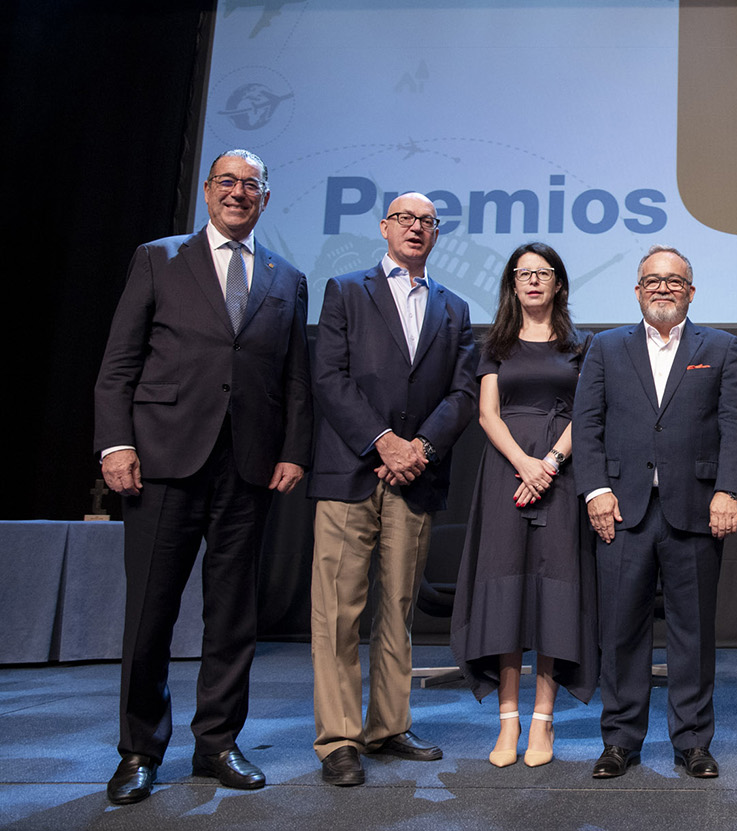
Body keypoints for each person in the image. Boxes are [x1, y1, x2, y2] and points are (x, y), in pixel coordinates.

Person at [94, 149, 312, 804]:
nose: (239, 193)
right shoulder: (158, 257)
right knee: (150, 611)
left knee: (233, 614)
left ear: (266, 199)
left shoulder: (289, 277)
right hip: (161, 460)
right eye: (228, 182)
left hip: (246, 467)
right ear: (208, 191)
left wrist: (294, 449)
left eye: (252, 185)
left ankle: (217, 740)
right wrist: (115, 444)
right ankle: (139, 748)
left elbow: (296, 382)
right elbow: (118, 364)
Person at [305, 193, 478, 786]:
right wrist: (383, 443)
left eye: (426, 221)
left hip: (417, 477)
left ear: (437, 234)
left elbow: (462, 394)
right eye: (405, 218)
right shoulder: (345, 290)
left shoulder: (454, 309)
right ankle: (338, 739)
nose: (415, 228)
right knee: (337, 610)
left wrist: (419, 450)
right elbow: (327, 377)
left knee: (398, 607)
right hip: (351, 472)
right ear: (384, 228)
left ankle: (387, 726)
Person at [572, 245, 737, 779]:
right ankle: (620, 741)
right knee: (621, 630)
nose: (663, 288)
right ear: (637, 290)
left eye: (674, 281)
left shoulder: (720, 347)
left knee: (692, 633)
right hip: (622, 509)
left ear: (691, 292)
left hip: (696, 508)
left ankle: (693, 741)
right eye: (652, 280)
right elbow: (587, 425)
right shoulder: (605, 347)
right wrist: (594, 490)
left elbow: (736, 424)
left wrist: (730, 491)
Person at [449, 242, 598, 770]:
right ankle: (508, 719)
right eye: (523, 273)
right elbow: (488, 415)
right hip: (505, 474)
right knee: (506, 588)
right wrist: (524, 463)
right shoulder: (495, 345)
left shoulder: (582, 347)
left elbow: (588, 413)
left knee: (555, 589)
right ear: (513, 284)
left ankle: (543, 722)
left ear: (558, 283)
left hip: (562, 472)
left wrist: (550, 464)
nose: (533, 281)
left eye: (543, 273)